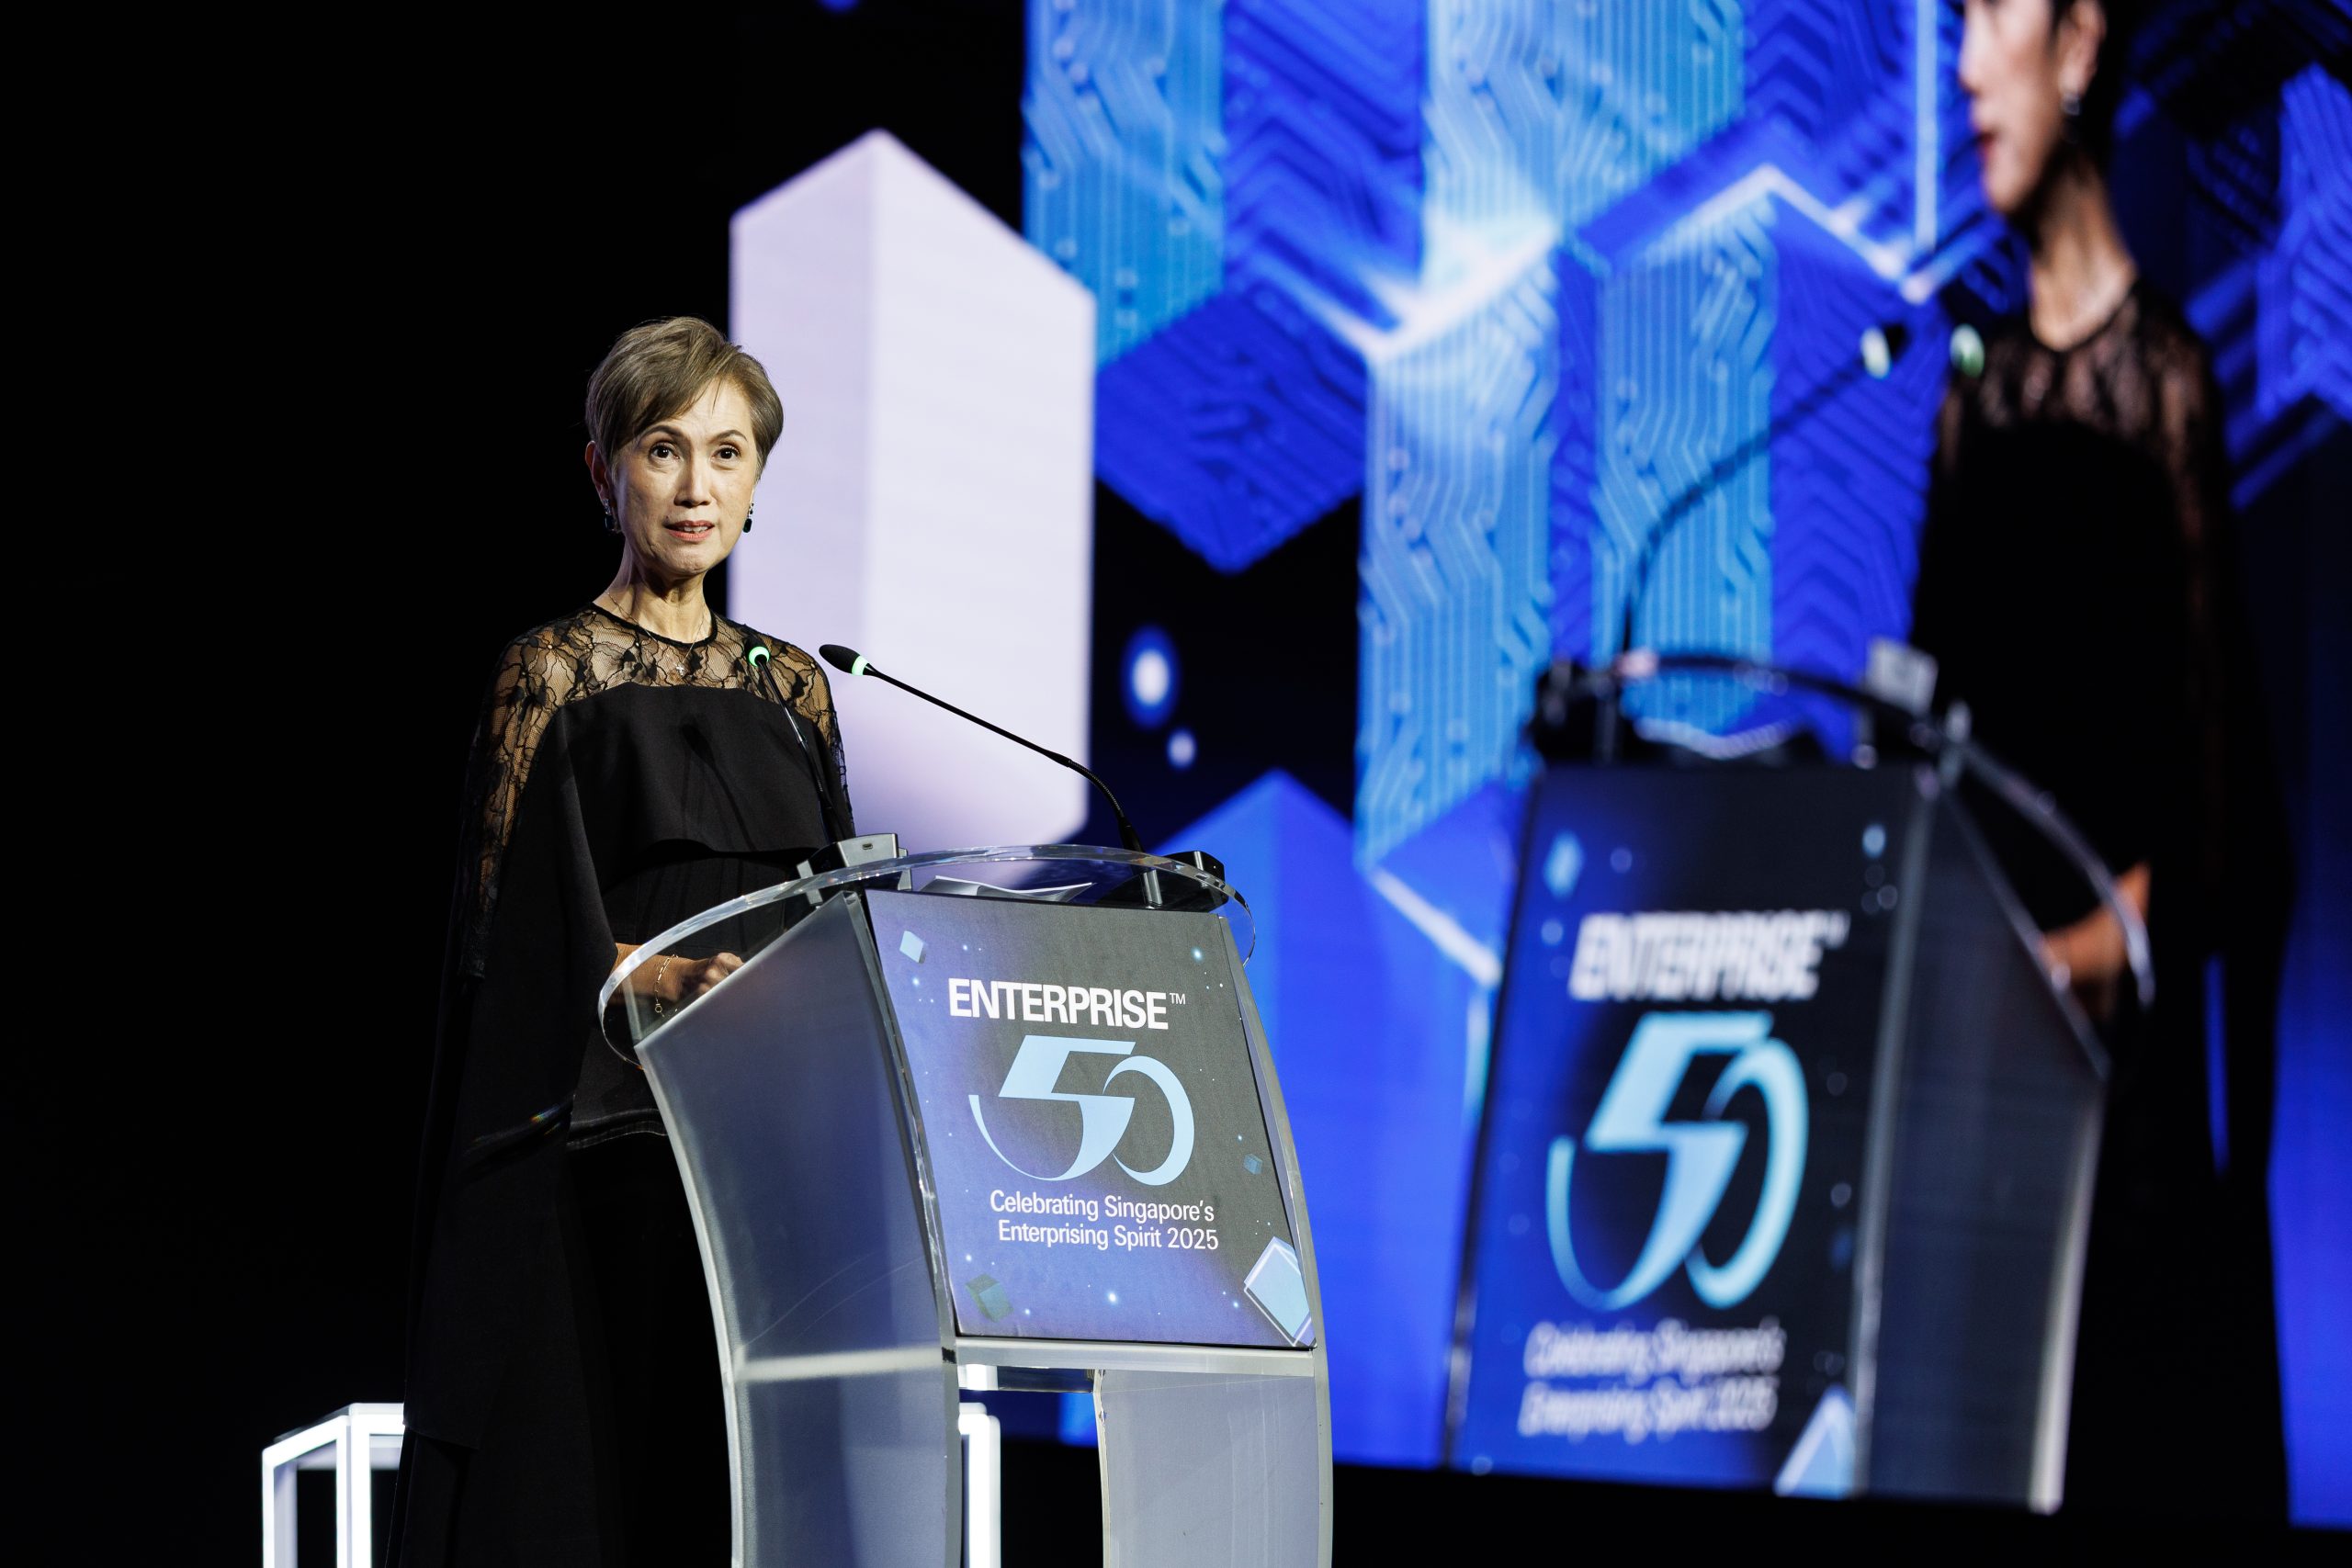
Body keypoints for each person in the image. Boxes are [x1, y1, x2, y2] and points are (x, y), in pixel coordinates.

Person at [390, 317, 854, 1563]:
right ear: (606, 473)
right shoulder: (551, 674)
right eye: (664, 449)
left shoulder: (795, 690)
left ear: (756, 483)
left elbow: (837, 920)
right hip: (606, 1156)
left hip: (772, 1170)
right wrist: (658, 978)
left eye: (727, 452)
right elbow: (499, 939)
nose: (697, 485)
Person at [1913, 0, 2288, 1519]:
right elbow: (1926, 754)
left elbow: (2222, 802)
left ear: (2078, 47)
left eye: (1992, 17)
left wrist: (2103, 942)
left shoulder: (2168, 387)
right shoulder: (1972, 392)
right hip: (1974, 1083)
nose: (1962, 65)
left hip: (2117, 1104)